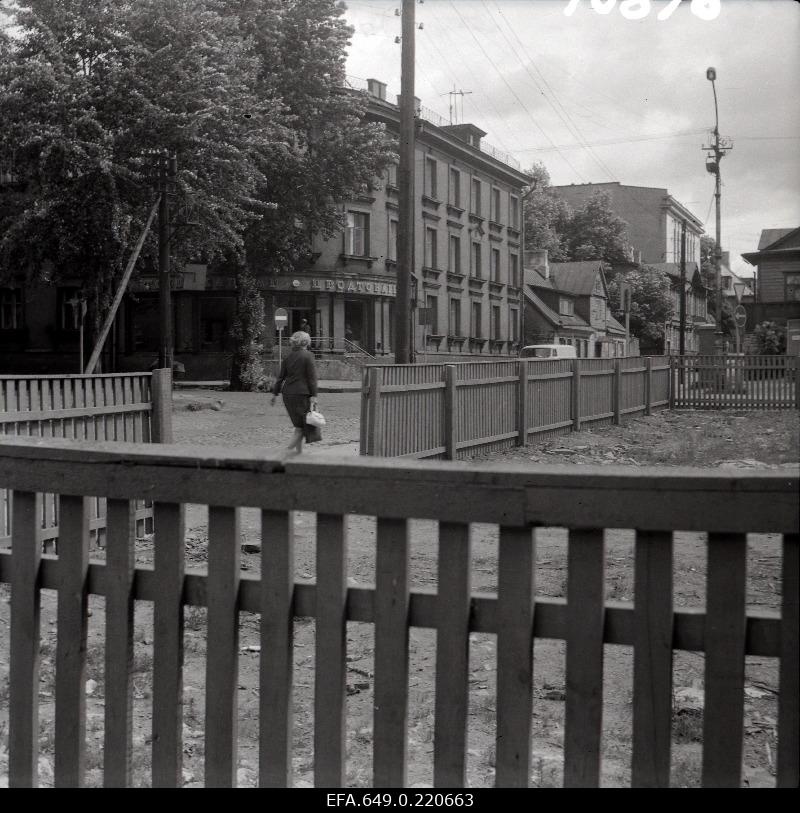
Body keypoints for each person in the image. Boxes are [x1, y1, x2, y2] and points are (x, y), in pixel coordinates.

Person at [270, 331, 320, 453]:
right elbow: (312, 378)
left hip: (287, 395)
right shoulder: (308, 356)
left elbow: (280, 378)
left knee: (298, 426)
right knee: (303, 428)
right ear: (306, 342)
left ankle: (299, 454)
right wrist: (314, 395)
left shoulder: (288, 357)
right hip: (302, 395)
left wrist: (274, 394)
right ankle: (284, 453)